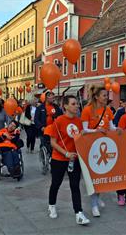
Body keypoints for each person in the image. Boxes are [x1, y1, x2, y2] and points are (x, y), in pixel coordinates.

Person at [48, 95, 90, 225]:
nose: (77, 106)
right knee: (56, 183)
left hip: (74, 159)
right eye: (73, 104)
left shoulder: (78, 121)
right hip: (59, 158)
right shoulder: (59, 121)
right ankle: (52, 205)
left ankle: (79, 213)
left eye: (77, 104)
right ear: (65, 106)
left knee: (75, 185)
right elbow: (53, 142)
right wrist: (65, 153)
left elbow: (80, 138)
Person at [81, 84, 118, 217]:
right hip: (91, 146)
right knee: (93, 177)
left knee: (102, 175)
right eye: (104, 95)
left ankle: (97, 198)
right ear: (97, 97)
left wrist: (119, 129)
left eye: (107, 95)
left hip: (105, 145)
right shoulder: (87, 110)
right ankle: (94, 204)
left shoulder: (108, 110)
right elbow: (84, 130)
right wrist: (96, 131)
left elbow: (112, 127)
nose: (106, 97)